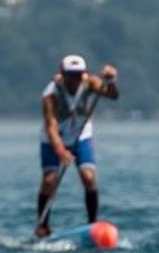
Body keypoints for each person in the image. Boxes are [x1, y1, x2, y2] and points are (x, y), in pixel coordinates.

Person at [35, 55, 119, 237]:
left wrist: (111, 80)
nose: (75, 79)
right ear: (62, 75)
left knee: (88, 177)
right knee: (49, 181)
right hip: (55, 138)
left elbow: (113, 95)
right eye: (71, 75)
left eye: (78, 75)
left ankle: (92, 224)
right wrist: (60, 150)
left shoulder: (91, 83)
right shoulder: (51, 94)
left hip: (81, 135)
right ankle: (43, 225)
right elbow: (50, 125)